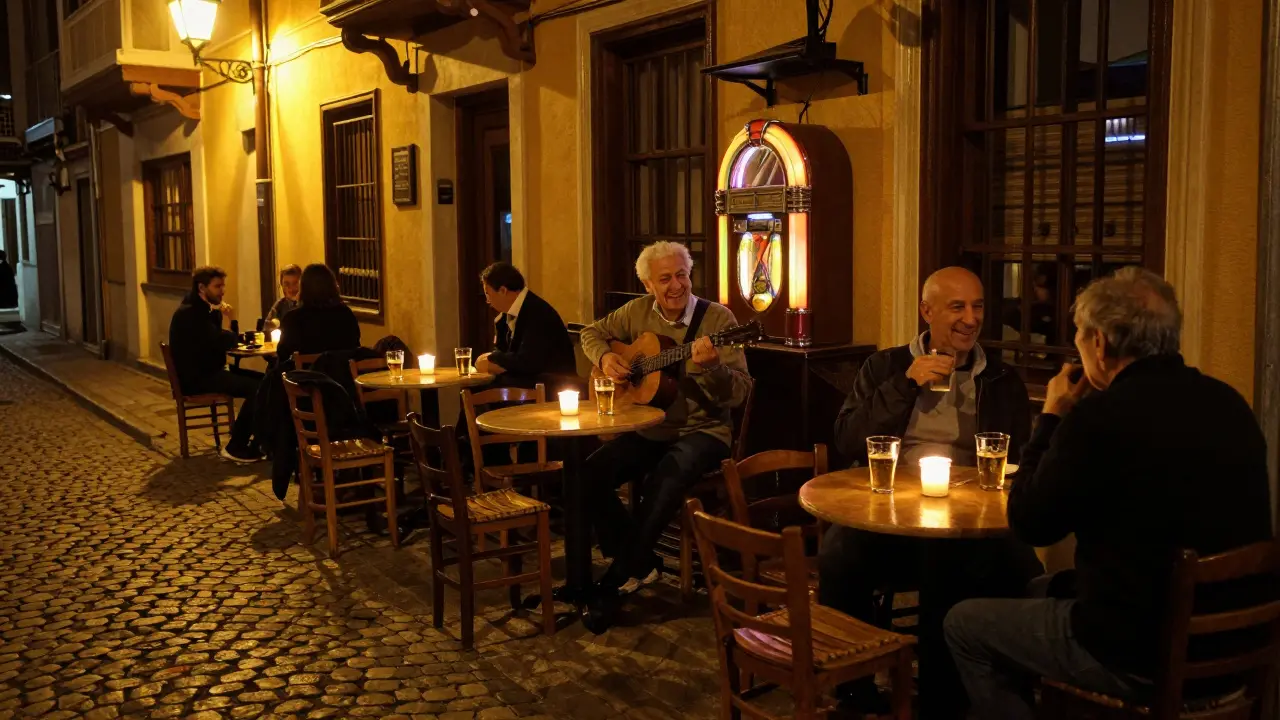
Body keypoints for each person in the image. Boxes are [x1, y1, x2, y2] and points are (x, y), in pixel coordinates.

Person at [944, 268, 1273, 720]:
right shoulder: (1229, 402)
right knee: (1035, 587)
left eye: (1079, 335)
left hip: (1140, 654)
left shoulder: (1100, 418)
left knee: (964, 624)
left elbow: (1029, 522)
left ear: (1098, 344)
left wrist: (1053, 416)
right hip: (1239, 642)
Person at [819, 266, 1040, 714]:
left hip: (967, 519)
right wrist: (906, 383)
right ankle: (855, 686)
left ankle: (947, 697)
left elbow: (1023, 459)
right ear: (927, 311)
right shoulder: (884, 366)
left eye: (977, 306)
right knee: (838, 552)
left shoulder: (1000, 378)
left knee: (994, 566)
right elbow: (846, 439)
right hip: (891, 519)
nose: (970, 318)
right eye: (957, 306)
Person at [579, 241, 751, 629]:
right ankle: (641, 560)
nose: (676, 285)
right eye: (665, 279)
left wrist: (713, 370)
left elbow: (739, 393)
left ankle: (616, 579)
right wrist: (605, 358)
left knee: (665, 479)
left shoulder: (719, 320)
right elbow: (591, 333)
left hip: (704, 431)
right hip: (650, 427)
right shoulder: (637, 312)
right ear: (646, 285)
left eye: (682, 275)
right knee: (588, 474)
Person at [168, 266, 262, 463]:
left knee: (266, 381)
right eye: (217, 286)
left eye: (223, 285)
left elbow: (222, 340)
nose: (222, 290)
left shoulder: (203, 310)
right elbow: (224, 341)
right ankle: (236, 445)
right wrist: (233, 320)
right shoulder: (191, 314)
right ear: (202, 288)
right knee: (258, 388)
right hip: (199, 378)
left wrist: (225, 324)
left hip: (210, 371)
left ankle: (261, 440)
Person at [474, 262, 576, 390]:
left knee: (483, 391)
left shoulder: (537, 312)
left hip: (552, 387)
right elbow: (506, 354)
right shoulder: (506, 316)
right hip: (528, 381)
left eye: (488, 295)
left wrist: (493, 358)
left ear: (503, 291)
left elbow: (527, 362)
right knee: (477, 389)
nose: (487, 302)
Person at [275, 263, 361, 364]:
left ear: (303, 288)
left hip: (304, 378)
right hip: (341, 377)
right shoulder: (346, 314)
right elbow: (355, 348)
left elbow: (283, 356)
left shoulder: (293, 319)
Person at [264, 264, 302, 329]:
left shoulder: (309, 304)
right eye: (287, 284)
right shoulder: (279, 306)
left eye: (295, 283)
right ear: (282, 285)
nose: (291, 288)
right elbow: (267, 328)